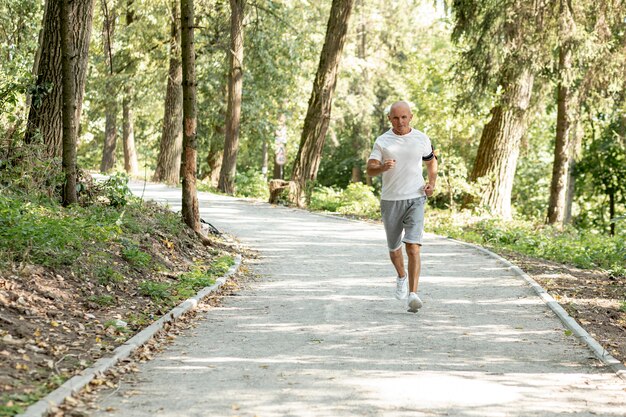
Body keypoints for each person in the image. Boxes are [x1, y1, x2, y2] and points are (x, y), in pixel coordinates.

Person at [366, 101, 438, 313]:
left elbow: (431, 162)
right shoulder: (383, 141)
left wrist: (431, 183)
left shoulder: (421, 138)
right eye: (396, 118)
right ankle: (401, 276)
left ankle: (413, 294)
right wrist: (381, 167)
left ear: (411, 117)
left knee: (413, 246)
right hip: (391, 200)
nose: (400, 122)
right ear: (389, 119)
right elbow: (370, 169)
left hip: (416, 197)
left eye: (404, 117)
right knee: (394, 248)